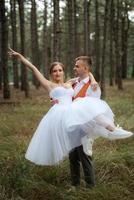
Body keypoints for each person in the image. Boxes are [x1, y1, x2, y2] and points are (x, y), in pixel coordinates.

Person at [8, 48, 133, 166]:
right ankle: (105, 133)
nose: (58, 73)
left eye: (60, 70)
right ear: (51, 73)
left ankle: (112, 130)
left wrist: (93, 80)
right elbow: (33, 68)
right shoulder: (49, 85)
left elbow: (86, 73)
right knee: (84, 109)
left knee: (86, 106)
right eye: (54, 71)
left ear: (63, 71)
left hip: (72, 110)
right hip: (60, 114)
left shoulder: (69, 83)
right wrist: (20, 57)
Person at [69, 56, 100, 188]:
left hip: (84, 128)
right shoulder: (74, 83)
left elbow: (92, 110)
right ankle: (75, 186)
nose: (74, 68)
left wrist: (87, 130)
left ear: (85, 68)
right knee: (73, 158)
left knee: (85, 158)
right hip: (71, 127)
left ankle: (90, 188)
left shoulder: (93, 87)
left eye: (77, 66)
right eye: (75, 65)